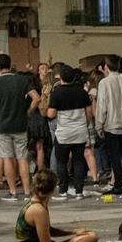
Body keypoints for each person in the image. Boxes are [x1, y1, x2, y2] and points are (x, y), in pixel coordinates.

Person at [13, 170, 98, 242]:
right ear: (53, 189)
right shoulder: (38, 210)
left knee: (91, 236)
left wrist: (73, 232)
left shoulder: (40, 202)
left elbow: (48, 230)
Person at [0, 53, 40, 201]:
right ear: (10, 64)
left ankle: (13, 192)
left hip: (2, 126)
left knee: (7, 158)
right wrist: (28, 112)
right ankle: (27, 191)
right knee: (22, 158)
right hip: (20, 124)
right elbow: (36, 98)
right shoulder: (22, 80)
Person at [94, 55, 122, 194]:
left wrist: (99, 125)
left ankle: (118, 184)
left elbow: (102, 106)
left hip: (111, 123)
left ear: (106, 67)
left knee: (114, 157)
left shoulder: (104, 83)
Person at [46, 66, 91, 199]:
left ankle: (63, 191)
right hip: (80, 131)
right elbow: (89, 112)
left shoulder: (57, 93)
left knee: (61, 162)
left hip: (64, 133)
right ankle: (79, 191)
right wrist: (85, 124)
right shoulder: (82, 92)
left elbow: (50, 113)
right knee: (78, 161)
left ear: (61, 78)